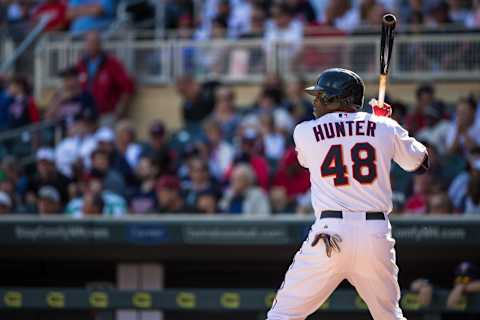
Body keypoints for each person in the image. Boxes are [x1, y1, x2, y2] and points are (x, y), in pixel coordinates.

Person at [266, 68, 429, 320]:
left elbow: (311, 159)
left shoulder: (304, 131)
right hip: (374, 235)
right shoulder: (384, 126)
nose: (315, 101)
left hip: (330, 233)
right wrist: (384, 125)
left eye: (322, 96)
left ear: (338, 99)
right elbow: (419, 162)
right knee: (389, 316)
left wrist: (373, 125)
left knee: (283, 314)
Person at [76, 31, 135, 121]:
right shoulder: (81, 64)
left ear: (100, 44)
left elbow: (127, 87)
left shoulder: (112, 63)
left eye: (94, 42)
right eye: (89, 42)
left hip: (106, 115)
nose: (91, 46)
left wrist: (119, 111)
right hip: (85, 116)